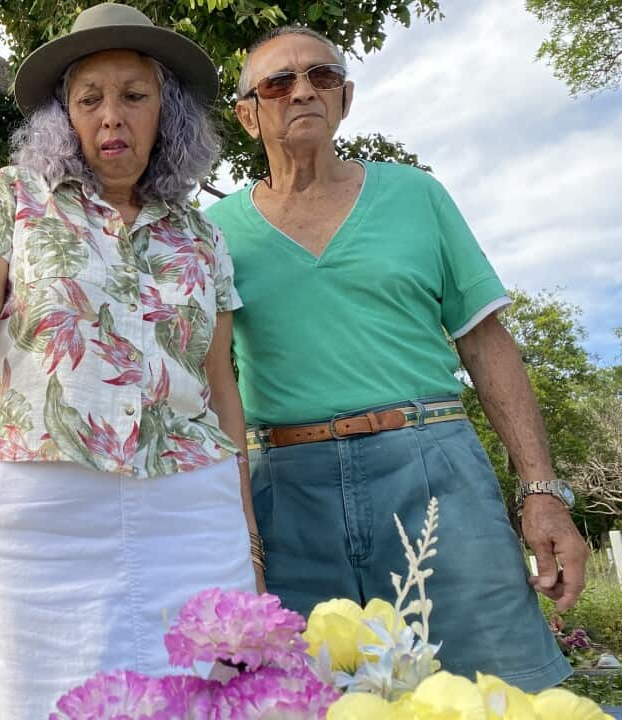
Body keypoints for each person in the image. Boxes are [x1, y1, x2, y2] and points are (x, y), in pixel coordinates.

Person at [0, 4, 259, 716]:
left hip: (191, 505)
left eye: (133, 96)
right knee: (35, 694)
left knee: (212, 693)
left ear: (164, 113)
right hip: (37, 510)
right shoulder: (13, 196)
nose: (112, 115)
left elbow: (219, 383)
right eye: (90, 99)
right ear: (66, 118)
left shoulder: (203, 237)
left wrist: (246, 527)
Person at [204, 25, 588, 691]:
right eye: (278, 82)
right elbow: (211, 386)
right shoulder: (213, 235)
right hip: (285, 493)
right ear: (247, 113)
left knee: (504, 692)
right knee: (302, 699)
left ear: (345, 98)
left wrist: (541, 492)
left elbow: (486, 343)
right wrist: (236, 536)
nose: (303, 91)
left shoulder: (419, 196)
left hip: (434, 466)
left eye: (322, 77)